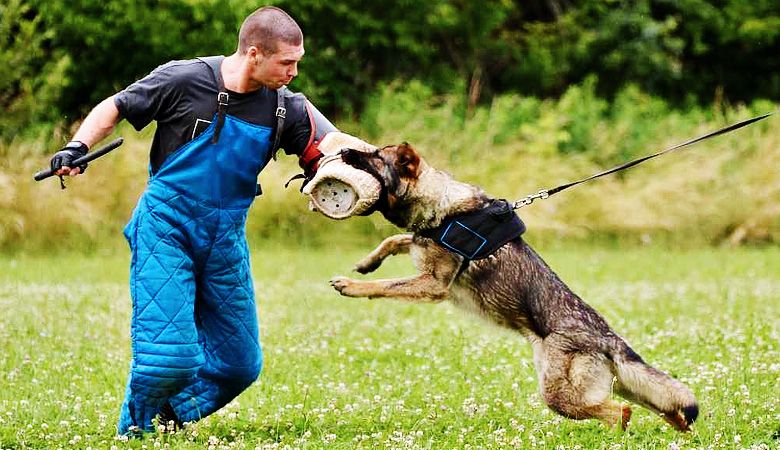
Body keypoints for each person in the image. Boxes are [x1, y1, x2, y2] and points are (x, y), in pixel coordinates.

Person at [49, 6, 336, 435]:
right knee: (169, 357)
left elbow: (332, 147)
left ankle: (169, 418)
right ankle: (136, 432)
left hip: (226, 236)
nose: (295, 72)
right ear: (254, 53)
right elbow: (117, 105)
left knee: (240, 364)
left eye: (298, 62)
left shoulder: (287, 108)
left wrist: (351, 174)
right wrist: (76, 147)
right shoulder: (185, 79)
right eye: (288, 62)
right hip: (167, 225)